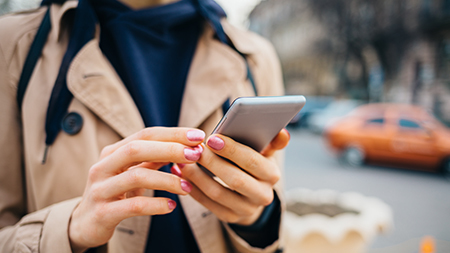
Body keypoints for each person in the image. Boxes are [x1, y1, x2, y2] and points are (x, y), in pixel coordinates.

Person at [0, 0, 288, 252]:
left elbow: (274, 227)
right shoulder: (14, 45)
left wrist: (257, 219)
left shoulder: (254, 56)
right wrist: (70, 229)